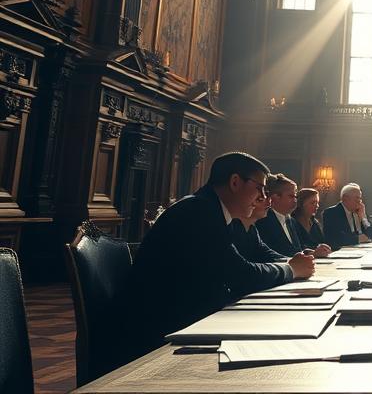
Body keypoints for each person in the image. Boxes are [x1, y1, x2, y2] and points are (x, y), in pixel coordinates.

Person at [123, 152, 315, 359]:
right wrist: (290, 269)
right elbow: (240, 274)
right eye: (259, 188)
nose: (262, 197)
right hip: (159, 339)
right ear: (235, 182)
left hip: (187, 320)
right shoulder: (199, 212)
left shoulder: (210, 209)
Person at [256, 174, 320, 257]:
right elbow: (268, 254)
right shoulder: (262, 220)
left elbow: (298, 248)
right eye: (291, 196)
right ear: (275, 197)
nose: (295, 200)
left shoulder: (291, 220)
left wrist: (312, 252)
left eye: (296, 196)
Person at [231, 190, 286, 263]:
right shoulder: (232, 228)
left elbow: (266, 253)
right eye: (261, 198)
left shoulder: (252, 228)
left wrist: (293, 261)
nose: (269, 203)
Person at [322, 182, 372, 250]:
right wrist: (358, 239)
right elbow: (335, 239)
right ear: (345, 198)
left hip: (360, 251)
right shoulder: (331, 213)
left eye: (360, 198)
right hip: (339, 253)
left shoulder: (360, 211)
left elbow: (371, 235)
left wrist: (363, 218)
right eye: (357, 198)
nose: (359, 202)